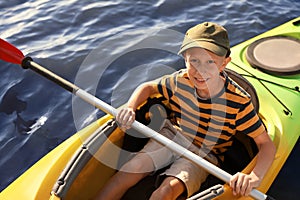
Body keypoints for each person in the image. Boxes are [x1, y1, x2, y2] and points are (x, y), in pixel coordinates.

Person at [95, 22, 276, 200]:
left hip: (204, 153)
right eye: (194, 61)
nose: (200, 71)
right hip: (173, 135)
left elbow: (266, 144)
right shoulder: (179, 81)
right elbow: (147, 88)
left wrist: (254, 177)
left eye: (210, 62)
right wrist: (130, 106)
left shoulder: (238, 102)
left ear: (224, 64)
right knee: (129, 171)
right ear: (185, 59)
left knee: (165, 193)